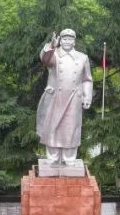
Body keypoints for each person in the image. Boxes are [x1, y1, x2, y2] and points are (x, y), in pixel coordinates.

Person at [36, 29, 93, 165]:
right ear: (60, 41)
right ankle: (53, 157)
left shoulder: (82, 57)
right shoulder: (54, 55)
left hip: (74, 98)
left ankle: (69, 158)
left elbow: (87, 79)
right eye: (64, 39)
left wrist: (87, 97)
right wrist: (51, 46)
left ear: (74, 41)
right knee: (52, 127)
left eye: (70, 39)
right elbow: (45, 59)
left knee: (71, 128)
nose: (67, 41)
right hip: (55, 97)